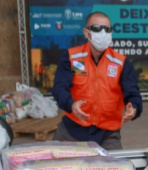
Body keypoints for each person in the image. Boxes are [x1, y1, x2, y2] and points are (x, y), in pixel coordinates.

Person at [51, 11, 142, 150]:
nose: (103, 33)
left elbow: (133, 94)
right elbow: (59, 88)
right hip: (71, 130)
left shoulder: (121, 63)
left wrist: (134, 109)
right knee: (55, 167)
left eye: (107, 29)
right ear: (86, 32)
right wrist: (71, 105)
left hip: (108, 134)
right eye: (97, 28)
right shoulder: (72, 57)